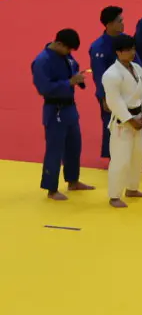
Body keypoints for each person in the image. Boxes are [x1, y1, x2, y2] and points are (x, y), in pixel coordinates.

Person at [33, 29, 94, 199]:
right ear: (58, 44)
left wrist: (77, 79)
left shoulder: (65, 55)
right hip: (54, 109)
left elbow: (73, 68)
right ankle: (51, 188)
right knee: (55, 149)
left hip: (69, 108)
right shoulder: (42, 61)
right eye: (68, 49)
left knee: (74, 145)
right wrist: (69, 82)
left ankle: (73, 181)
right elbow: (43, 88)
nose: (70, 53)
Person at [100, 34, 142, 207]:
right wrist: (130, 120)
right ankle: (114, 195)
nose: (132, 52)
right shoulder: (111, 74)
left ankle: (132, 188)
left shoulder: (137, 68)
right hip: (123, 121)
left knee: (138, 156)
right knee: (120, 159)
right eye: (128, 50)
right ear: (118, 52)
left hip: (138, 117)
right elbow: (114, 101)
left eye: (133, 49)